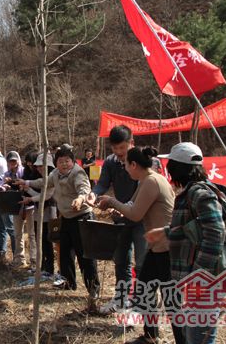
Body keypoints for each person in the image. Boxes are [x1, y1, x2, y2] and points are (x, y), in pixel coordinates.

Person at [97, 147, 185, 344]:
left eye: (126, 165)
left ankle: (182, 339)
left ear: (134, 165)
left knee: (171, 299)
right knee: (144, 289)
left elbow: (135, 214)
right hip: (156, 246)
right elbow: (131, 205)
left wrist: (112, 202)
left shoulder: (152, 181)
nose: (126, 169)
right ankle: (150, 336)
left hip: (166, 247)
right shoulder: (146, 179)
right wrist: (119, 209)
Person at [146, 142, 225, 344]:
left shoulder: (200, 193)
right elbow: (193, 229)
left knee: (199, 338)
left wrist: (200, 275)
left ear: (176, 168)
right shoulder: (190, 193)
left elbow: (215, 232)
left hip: (203, 282)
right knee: (194, 336)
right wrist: (165, 233)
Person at [22, 146, 100, 303]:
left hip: (82, 217)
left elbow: (84, 189)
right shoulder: (55, 174)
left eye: (67, 161)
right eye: (61, 161)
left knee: (84, 255)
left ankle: (93, 289)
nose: (64, 164)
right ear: (56, 163)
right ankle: (69, 282)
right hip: (66, 218)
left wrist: (80, 199)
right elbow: (44, 183)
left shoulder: (78, 173)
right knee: (64, 254)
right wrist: (26, 182)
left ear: (73, 161)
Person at [88, 125, 146, 314]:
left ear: (132, 143)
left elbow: (145, 189)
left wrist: (127, 205)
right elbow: (103, 184)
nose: (119, 153)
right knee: (121, 260)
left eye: (123, 148)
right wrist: (92, 195)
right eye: (115, 148)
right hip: (120, 218)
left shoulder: (144, 161)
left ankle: (141, 302)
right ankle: (121, 299)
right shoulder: (111, 163)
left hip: (142, 219)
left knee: (142, 261)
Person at [19, 152, 56, 275]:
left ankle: (49, 269)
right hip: (39, 211)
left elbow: (45, 197)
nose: (39, 168)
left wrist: (29, 195)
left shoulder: (52, 176)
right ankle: (43, 267)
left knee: (47, 240)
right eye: (38, 166)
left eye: (42, 166)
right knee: (40, 240)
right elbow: (37, 187)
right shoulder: (42, 177)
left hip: (49, 211)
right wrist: (27, 187)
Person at [3, 150, 36, 269]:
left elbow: (28, 184)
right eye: (10, 161)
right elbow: (6, 188)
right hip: (16, 205)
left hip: (30, 205)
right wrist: (6, 185)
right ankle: (19, 259)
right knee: (18, 233)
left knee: (32, 234)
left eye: (14, 161)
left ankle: (34, 260)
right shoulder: (6, 174)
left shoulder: (24, 171)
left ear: (18, 161)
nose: (13, 163)